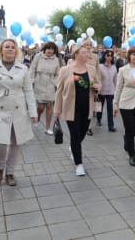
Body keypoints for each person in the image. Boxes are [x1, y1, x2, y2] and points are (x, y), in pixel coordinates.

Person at [0, 39, 38, 186]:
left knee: (15, 142)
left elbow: (29, 91)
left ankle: (10, 172)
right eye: (7, 47)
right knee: (0, 143)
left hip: (18, 109)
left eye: (13, 47)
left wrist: (33, 112)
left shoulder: (23, 68)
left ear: (16, 51)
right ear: (1, 50)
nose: (10, 49)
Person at [54, 45, 100, 176]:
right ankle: (79, 164)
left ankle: (74, 148)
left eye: (88, 53)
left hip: (87, 107)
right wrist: (56, 111)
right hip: (70, 108)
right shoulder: (65, 70)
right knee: (75, 135)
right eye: (85, 53)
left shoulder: (91, 69)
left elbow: (98, 83)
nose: (88, 55)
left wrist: (97, 86)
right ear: (76, 54)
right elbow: (59, 91)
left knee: (82, 134)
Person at [113, 46, 135, 167]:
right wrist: (115, 104)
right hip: (126, 102)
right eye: (134, 54)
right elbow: (118, 88)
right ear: (129, 56)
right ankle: (132, 155)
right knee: (129, 128)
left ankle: (127, 138)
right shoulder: (123, 70)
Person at [30, 42, 61, 135]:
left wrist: (55, 83)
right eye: (48, 48)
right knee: (40, 107)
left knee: (49, 106)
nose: (50, 51)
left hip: (51, 85)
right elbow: (32, 68)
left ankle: (47, 128)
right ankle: (37, 118)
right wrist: (32, 80)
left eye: (52, 49)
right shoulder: (38, 56)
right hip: (39, 83)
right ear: (45, 49)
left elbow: (58, 73)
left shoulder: (56, 59)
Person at [81, 39, 100, 136]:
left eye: (90, 45)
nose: (88, 46)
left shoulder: (95, 57)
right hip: (81, 84)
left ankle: (88, 127)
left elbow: (98, 71)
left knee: (91, 107)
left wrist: (99, 85)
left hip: (92, 85)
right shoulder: (79, 55)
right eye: (86, 45)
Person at [97, 49, 117, 132]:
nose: (109, 57)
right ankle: (98, 119)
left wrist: (116, 90)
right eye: (107, 55)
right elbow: (98, 79)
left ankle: (111, 125)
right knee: (100, 108)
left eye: (111, 56)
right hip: (101, 90)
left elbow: (115, 80)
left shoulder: (114, 67)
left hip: (111, 91)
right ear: (104, 56)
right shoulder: (100, 67)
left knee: (110, 109)